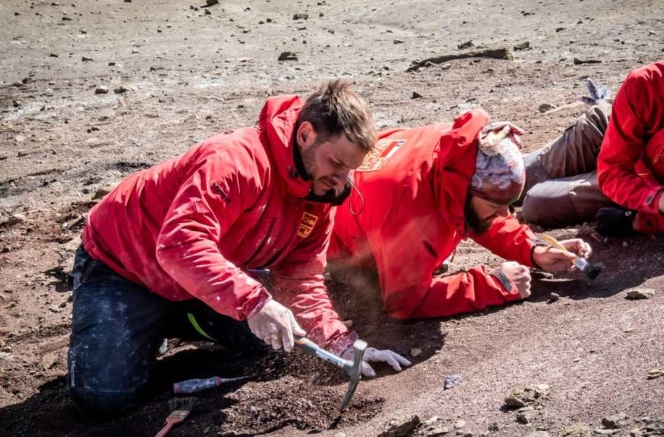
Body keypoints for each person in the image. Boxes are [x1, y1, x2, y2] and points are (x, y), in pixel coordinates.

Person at [67, 80, 410, 418]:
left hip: (203, 277)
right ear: (305, 134)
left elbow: (300, 278)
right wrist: (253, 301)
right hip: (125, 270)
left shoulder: (320, 193)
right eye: (336, 163)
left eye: (349, 169)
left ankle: (181, 317)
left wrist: (341, 345)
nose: (341, 178)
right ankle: (151, 324)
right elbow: (179, 243)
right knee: (104, 398)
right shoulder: (236, 160)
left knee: (279, 342)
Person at [327, 108, 592, 320]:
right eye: (496, 204)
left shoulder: (457, 151)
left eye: (509, 202)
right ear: (465, 190)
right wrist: (495, 283)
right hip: (342, 247)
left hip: (371, 206)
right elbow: (404, 302)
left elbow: (477, 214)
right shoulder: (411, 213)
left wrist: (533, 251)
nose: (505, 213)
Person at [521, 57, 664, 236]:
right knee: (511, 176)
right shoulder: (646, 83)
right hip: (611, 132)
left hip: (642, 182)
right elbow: (613, 167)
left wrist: (637, 220)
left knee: (537, 203)